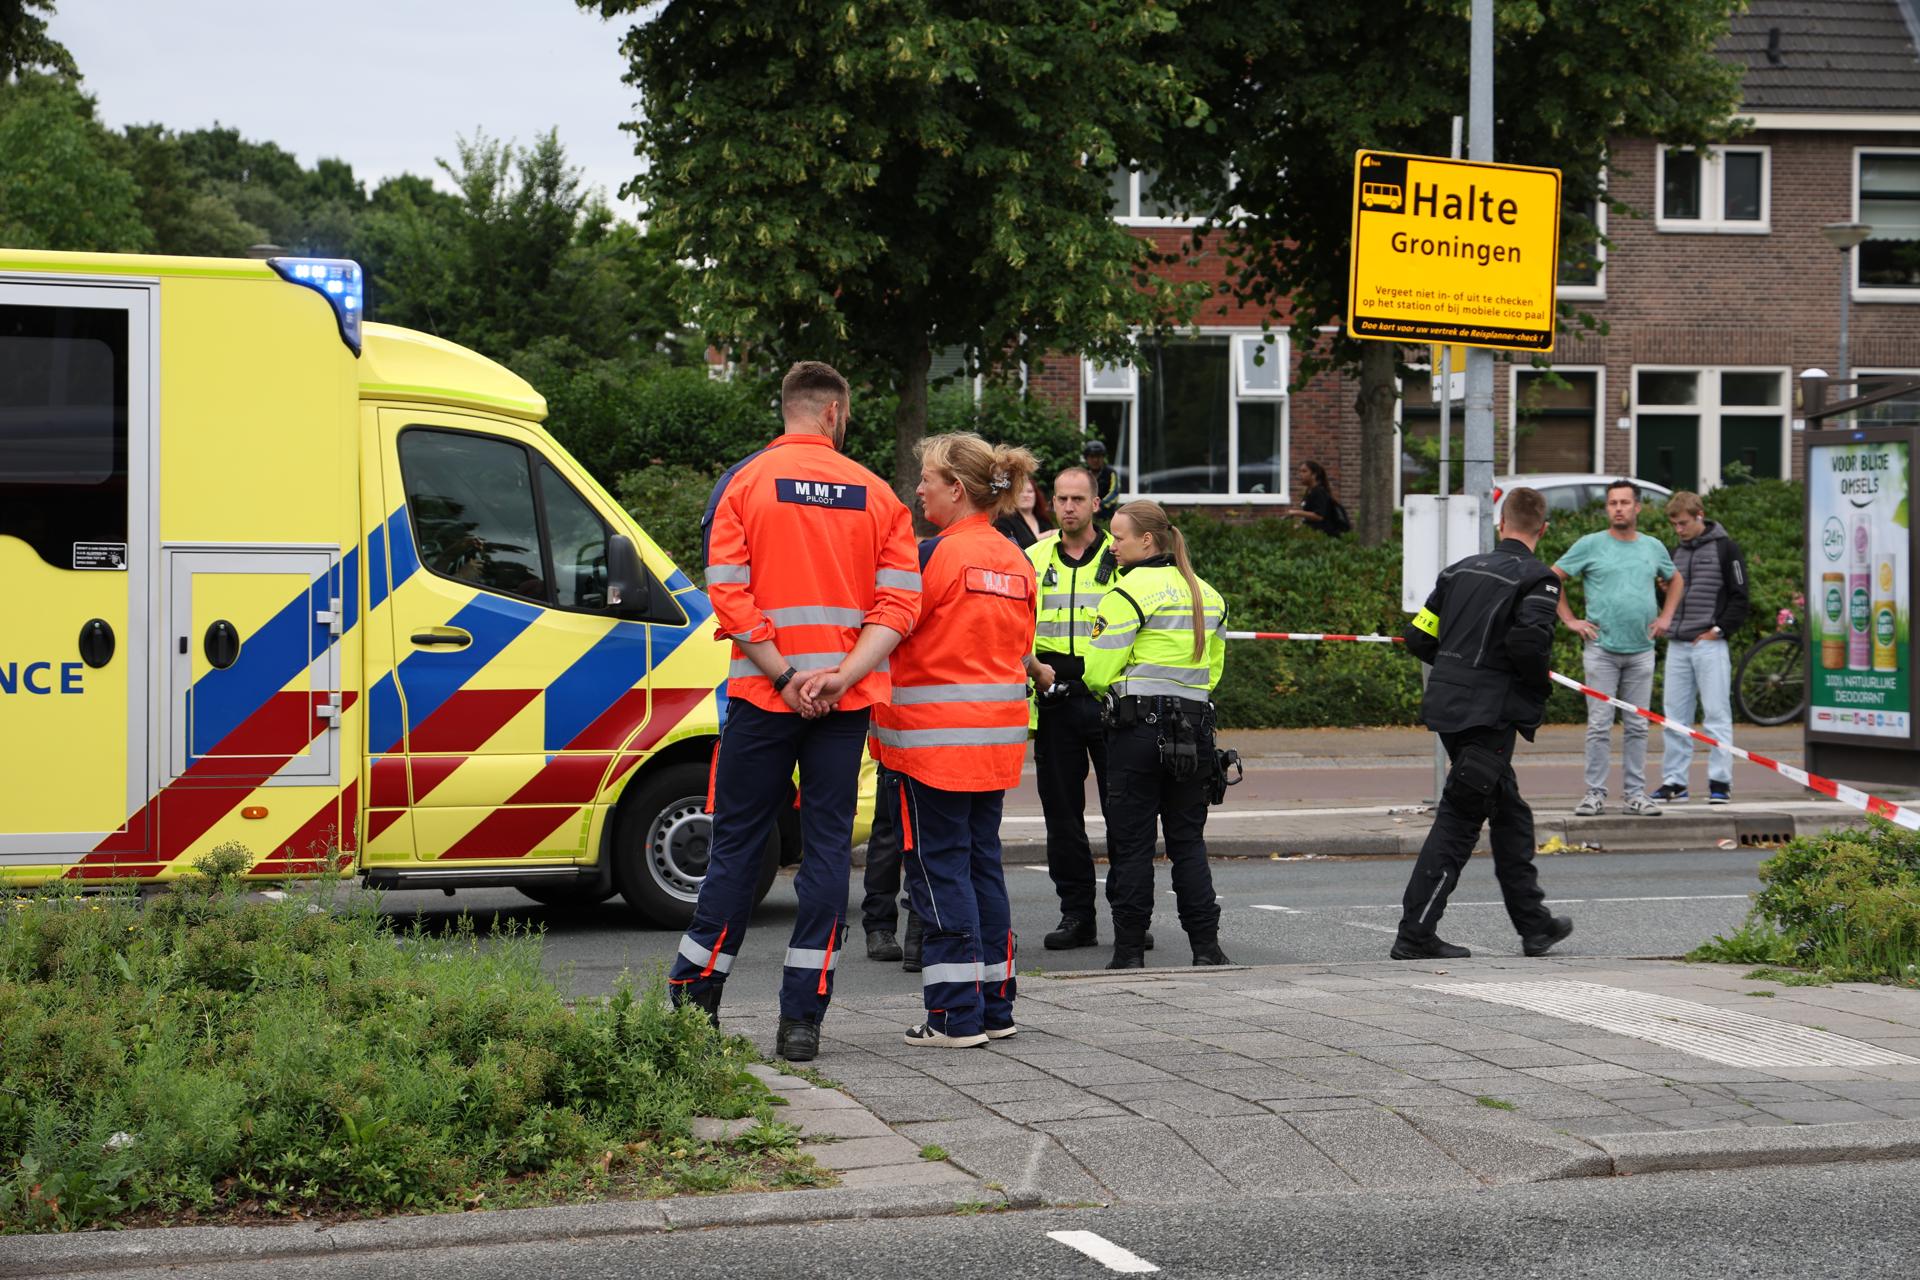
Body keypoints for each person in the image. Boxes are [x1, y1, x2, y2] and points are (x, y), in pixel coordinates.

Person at [669, 361, 921, 1064]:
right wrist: (838, 677)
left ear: (789, 409)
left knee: (738, 846)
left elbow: (726, 590)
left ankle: (695, 1007)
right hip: (842, 705)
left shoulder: (743, 485)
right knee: (826, 853)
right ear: (835, 414)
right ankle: (801, 1023)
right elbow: (899, 607)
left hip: (761, 695)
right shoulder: (878, 497)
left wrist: (784, 675)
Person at [850, 432, 1038, 1047]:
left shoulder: (931, 557)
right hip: (996, 746)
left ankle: (953, 1016)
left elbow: (889, 629)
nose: (918, 488)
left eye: (927, 478)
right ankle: (995, 1006)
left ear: (956, 489)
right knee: (983, 866)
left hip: (929, 747)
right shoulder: (1015, 559)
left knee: (936, 873)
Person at [1395, 486, 1574, 961]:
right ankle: (1415, 934)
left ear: (1501, 524)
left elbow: (1418, 637)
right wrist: (1533, 689)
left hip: (1450, 708)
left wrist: (1456, 668)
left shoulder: (1458, 572)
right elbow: (1529, 644)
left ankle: (1535, 925)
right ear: (1544, 529)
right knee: (1458, 820)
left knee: (1511, 812)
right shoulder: (1540, 580)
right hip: (1489, 715)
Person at [1082, 500, 1230, 970]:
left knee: (1132, 845)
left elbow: (1097, 672)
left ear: (1147, 540)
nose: (1112, 544)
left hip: (1137, 733)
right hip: (1195, 732)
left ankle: (1128, 953)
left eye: (1119, 536)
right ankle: (1206, 949)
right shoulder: (1208, 593)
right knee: (1188, 843)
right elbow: (1213, 672)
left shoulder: (1125, 594)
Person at [1554, 479, 1684, 818]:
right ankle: (1595, 794)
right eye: (1613, 503)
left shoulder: (1652, 546)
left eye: (1625, 502)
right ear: (1607, 508)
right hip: (1602, 650)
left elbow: (1676, 579)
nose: (1619, 508)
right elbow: (1552, 578)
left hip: (1641, 649)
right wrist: (1570, 620)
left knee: (1638, 726)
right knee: (1599, 725)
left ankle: (1635, 794)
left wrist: (1666, 616)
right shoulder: (1590, 545)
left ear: (1638, 507)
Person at [1652, 492, 1749, 806]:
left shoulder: (1726, 548)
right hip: (1678, 644)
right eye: (1674, 525)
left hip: (1710, 643)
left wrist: (1719, 631)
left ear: (1699, 515)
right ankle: (1675, 782)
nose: (1678, 530)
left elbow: (1740, 595)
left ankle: (1720, 782)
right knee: (1674, 717)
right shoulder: (1673, 553)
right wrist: (1664, 593)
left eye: (1683, 523)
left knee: (1716, 714)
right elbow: (1668, 600)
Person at [1280, 460, 1350, 537]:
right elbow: (1309, 516)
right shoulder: (1309, 491)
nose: (1300, 474)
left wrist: (1295, 512)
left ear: (1314, 475)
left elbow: (1319, 516)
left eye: (1304, 471)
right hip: (1314, 534)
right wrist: (1300, 525)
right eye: (1300, 471)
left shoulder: (1319, 492)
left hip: (1324, 536)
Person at [994, 475, 1051, 550]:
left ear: (1036, 495)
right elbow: (1009, 549)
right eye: (1020, 492)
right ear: (1013, 496)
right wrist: (1048, 535)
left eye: (1030, 491)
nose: (1026, 495)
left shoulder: (1043, 520)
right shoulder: (1004, 521)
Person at [1083, 438, 1121, 516]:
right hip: (1085, 514)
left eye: (1098, 456)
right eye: (1092, 457)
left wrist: (1100, 505)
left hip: (1106, 516)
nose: (1095, 460)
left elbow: (1114, 493)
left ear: (1103, 457)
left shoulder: (1111, 473)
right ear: (1086, 458)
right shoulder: (1082, 474)